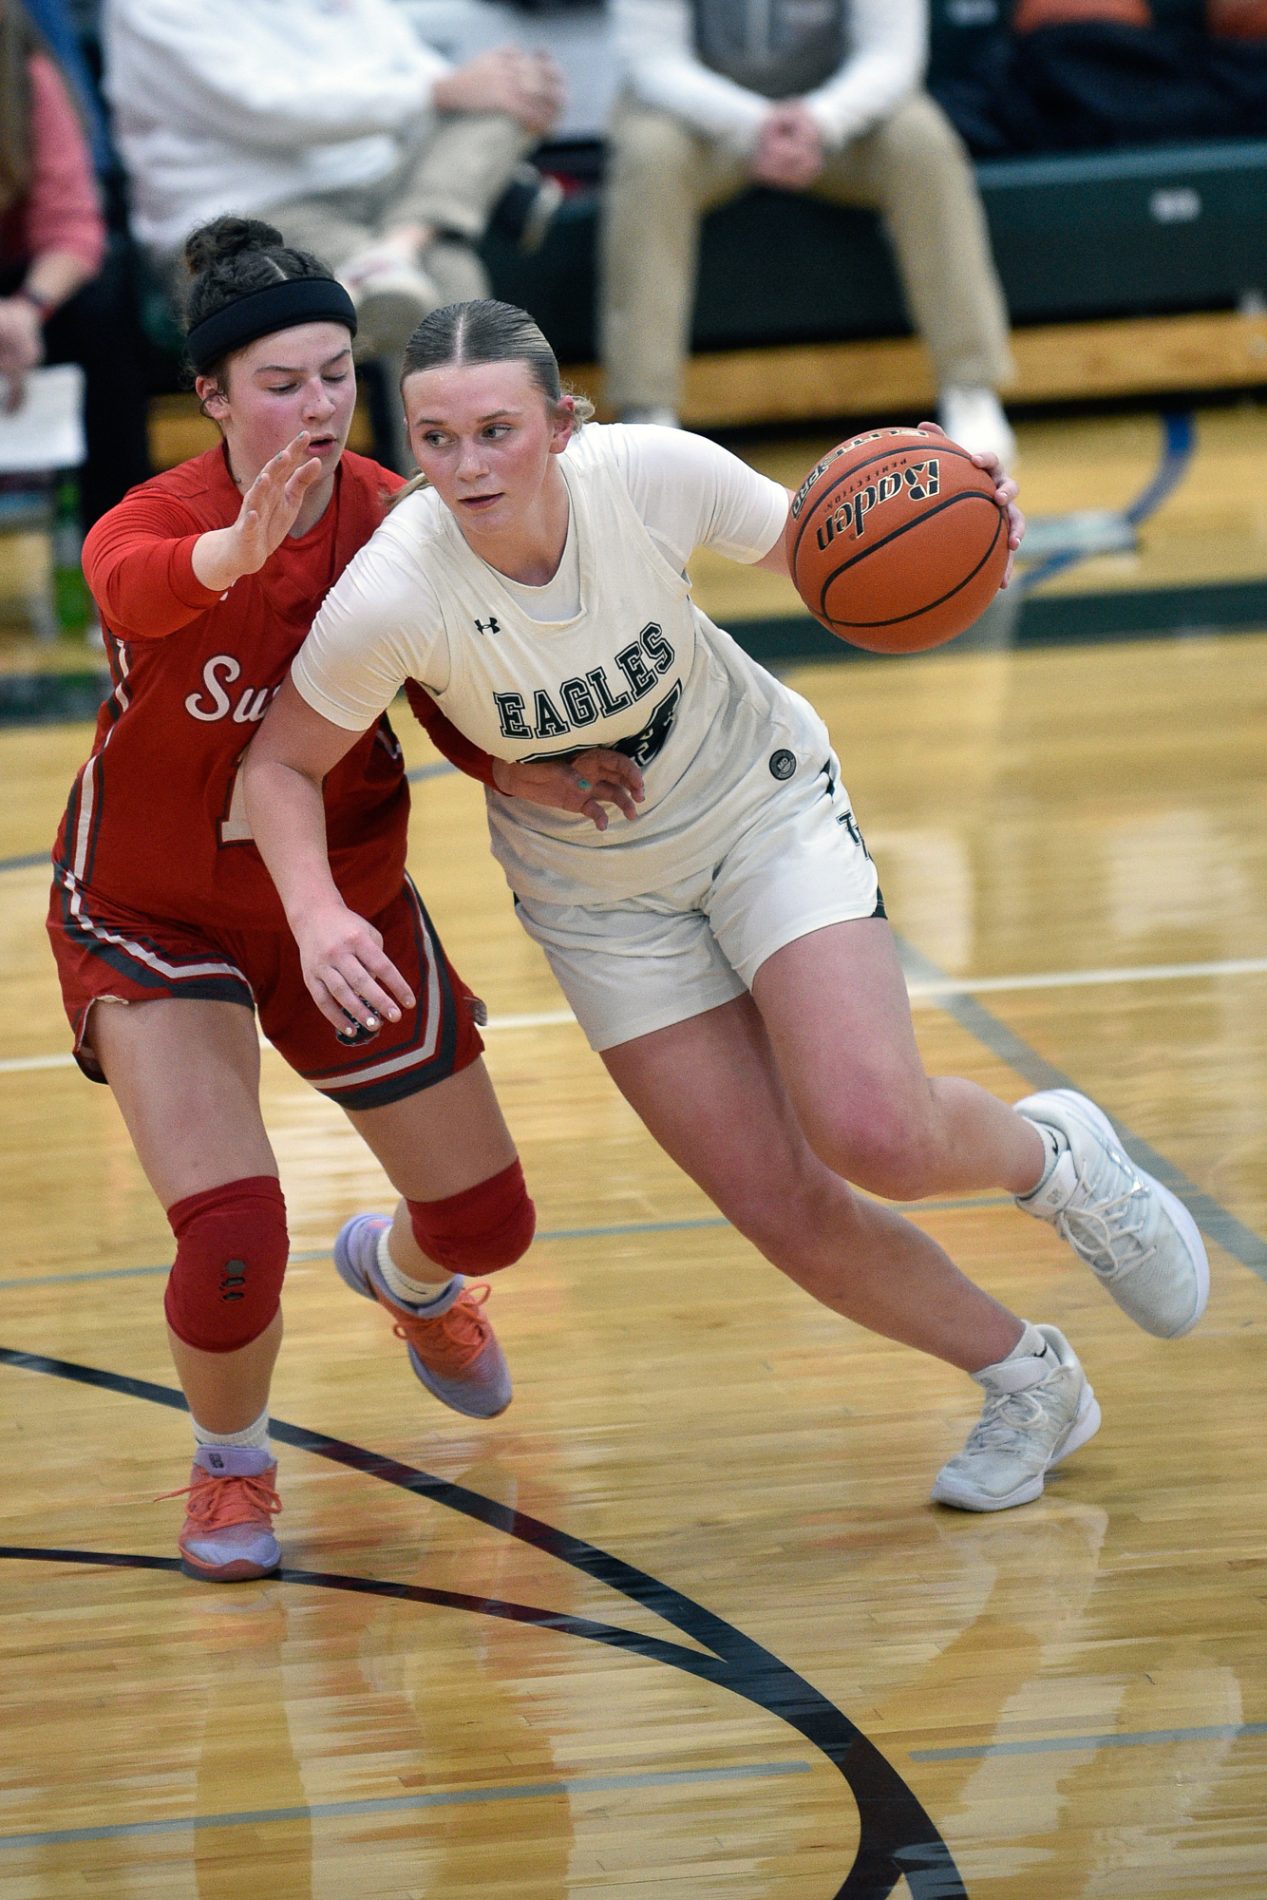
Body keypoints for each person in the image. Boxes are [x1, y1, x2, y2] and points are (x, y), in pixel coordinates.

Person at [244, 296, 1211, 1516]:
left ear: (561, 422)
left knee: (876, 1132)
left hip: (757, 805)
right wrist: (317, 913)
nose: (467, 466)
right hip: (596, 890)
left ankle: (1060, 1161)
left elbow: (826, 546)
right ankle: (1030, 1380)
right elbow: (279, 766)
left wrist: (964, 512)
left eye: (496, 431)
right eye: (435, 439)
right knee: (779, 1204)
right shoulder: (396, 588)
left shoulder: (650, 474)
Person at [44, 227, 636, 1585]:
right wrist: (231, 554)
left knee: (491, 1223)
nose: (317, 406)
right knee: (233, 1232)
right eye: (280, 384)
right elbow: (130, 589)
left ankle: (409, 1278)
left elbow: (446, 680)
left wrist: (518, 769)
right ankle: (231, 1463)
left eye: (334, 376)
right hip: (153, 908)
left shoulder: (395, 515)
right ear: (211, 395)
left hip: (342, 897)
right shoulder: (152, 524)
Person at [102, 0, 563, 464]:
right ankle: (463, 498)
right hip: (241, 214)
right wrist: (441, 91)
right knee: (449, 293)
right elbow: (265, 109)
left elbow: (418, 68)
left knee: (499, 105)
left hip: (378, 184)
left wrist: (503, 87)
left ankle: (400, 244)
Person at [599, 0, 1017, 461]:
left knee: (922, 143)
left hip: (836, 115)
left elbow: (892, 56)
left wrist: (819, 121)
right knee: (650, 155)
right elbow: (654, 62)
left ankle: (970, 387)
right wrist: (755, 124)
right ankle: (648, 408)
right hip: (698, 119)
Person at [0, 0, 150, 523]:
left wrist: (26, 309)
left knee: (100, 310)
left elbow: (71, 225)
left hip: (22, 280)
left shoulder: (25, 78)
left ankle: (120, 534)